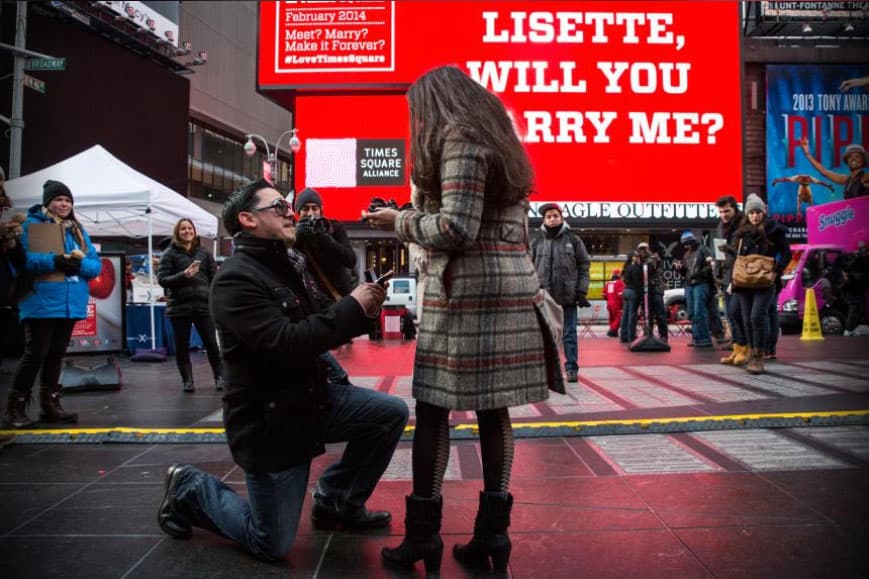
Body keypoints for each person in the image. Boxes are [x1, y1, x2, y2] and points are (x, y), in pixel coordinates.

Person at [362, 65, 564, 576]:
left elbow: (455, 226)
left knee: (432, 408)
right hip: (510, 289)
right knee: (494, 411)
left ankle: (423, 538)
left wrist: (398, 220)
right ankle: (492, 535)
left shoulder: (460, 139)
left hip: (468, 294)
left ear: (434, 104)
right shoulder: (497, 139)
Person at [157, 179, 408, 562]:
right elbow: (287, 342)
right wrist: (352, 308)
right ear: (248, 219)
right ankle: (189, 488)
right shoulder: (234, 279)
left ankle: (336, 500)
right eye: (279, 208)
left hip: (314, 398)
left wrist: (362, 306)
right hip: (272, 423)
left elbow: (323, 319)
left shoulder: (292, 262)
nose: (292, 213)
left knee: (390, 414)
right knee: (269, 542)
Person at [3, 180, 101, 429]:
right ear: (48, 202)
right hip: (41, 300)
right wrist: (55, 261)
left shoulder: (77, 230)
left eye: (68, 200)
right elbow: (23, 261)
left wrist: (77, 265)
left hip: (70, 301)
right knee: (35, 353)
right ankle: (15, 407)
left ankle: (51, 404)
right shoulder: (30, 225)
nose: (64, 204)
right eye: (58, 199)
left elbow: (95, 265)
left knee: (56, 354)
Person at [294, 187, 357, 384]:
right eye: (305, 209)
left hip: (336, 296)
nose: (310, 213)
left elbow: (350, 259)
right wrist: (296, 236)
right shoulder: (293, 232)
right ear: (298, 212)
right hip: (310, 298)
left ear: (321, 210)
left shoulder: (334, 228)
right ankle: (336, 380)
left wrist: (324, 237)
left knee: (326, 343)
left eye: (314, 208)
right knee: (313, 344)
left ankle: (337, 380)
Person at [157, 218, 223, 393]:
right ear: (177, 233)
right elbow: (162, 280)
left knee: (211, 344)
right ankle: (187, 381)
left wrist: (211, 295)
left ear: (194, 231)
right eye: (183, 229)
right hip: (179, 308)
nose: (187, 231)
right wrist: (183, 275)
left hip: (203, 306)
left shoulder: (204, 253)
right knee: (182, 346)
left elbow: (213, 277)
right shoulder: (169, 254)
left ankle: (219, 377)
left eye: (190, 228)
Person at [530, 202, 591, 382]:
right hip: (544, 298)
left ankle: (571, 368)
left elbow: (584, 265)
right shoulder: (537, 241)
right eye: (549, 216)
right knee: (543, 335)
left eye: (555, 215)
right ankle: (545, 369)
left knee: (569, 334)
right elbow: (529, 267)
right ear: (544, 219)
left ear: (562, 217)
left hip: (568, 297)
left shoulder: (573, 240)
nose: (552, 219)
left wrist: (581, 291)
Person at [730, 194, 790, 374]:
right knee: (747, 318)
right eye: (751, 213)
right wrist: (732, 280)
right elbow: (736, 258)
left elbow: (786, 253)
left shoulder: (774, 230)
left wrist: (776, 271)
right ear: (747, 215)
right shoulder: (741, 233)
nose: (755, 216)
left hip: (765, 281)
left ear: (763, 212)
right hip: (744, 281)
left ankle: (759, 356)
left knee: (757, 316)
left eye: (758, 212)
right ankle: (751, 352)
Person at [715, 196, 750, 366]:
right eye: (721, 211)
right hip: (728, 273)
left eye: (727, 210)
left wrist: (728, 249)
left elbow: (744, 251)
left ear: (734, 209)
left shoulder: (743, 223)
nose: (724, 214)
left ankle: (745, 348)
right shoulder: (721, 226)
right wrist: (718, 271)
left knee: (737, 312)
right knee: (730, 314)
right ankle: (737, 349)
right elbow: (720, 253)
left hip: (741, 273)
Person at [676, 231, 714, 348]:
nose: (686, 246)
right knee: (692, 312)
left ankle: (703, 338)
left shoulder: (703, 250)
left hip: (701, 283)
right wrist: (680, 268)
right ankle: (697, 337)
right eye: (685, 244)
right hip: (691, 284)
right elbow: (686, 272)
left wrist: (698, 274)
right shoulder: (687, 254)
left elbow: (711, 265)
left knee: (699, 311)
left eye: (688, 243)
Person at [799, 137, 868, 200]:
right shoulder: (847, 179)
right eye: (850, 157)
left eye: (857, 157)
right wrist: (808, 154)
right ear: (847, 161)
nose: (853, 159)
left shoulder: (866, 177)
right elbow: (824, 172)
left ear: (862, 161)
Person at [636, 241, 669, 342]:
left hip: (655, 289)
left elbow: (652, 269)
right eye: (640, 250)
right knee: (647, 314)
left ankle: (663, 335)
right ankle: (648, 333)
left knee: (660, 314)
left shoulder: (652, 259)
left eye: (643, 249)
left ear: (647, 249)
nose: (642, 252)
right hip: (646, 291)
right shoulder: (641, 261)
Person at [839, 240, 869, 336]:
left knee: (858, 308)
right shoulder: (856, 258)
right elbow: (846, 269)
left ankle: (852, 328)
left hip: (858, 286)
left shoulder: (860, 258)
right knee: (854, 308)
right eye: (863, 248)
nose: (864, 250)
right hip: (854, 286)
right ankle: (849, 329)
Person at [619, 251, 643, 344]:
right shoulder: (635, 268)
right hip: (633, 292)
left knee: (625, 315)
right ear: (633, 257)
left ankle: (623, 336)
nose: (638, 258)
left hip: (626, 291)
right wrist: (641, 294)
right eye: (637, 256)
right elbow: (637, 282)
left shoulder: (626, 267)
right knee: (632, 316)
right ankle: (631, 337)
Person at [605, 268, 624, 338]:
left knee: (612, 318)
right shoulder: (620, 282)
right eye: (620, 273)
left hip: (609, 303)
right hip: (617, 304)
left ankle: (614, 332)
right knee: (618, 318)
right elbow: (621, 294)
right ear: (618, 274)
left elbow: (604, 294)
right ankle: (611, 331)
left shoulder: (608, 283)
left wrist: (609, 299)